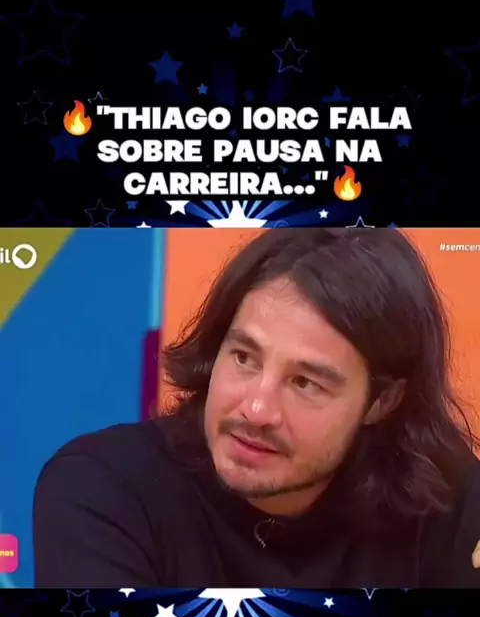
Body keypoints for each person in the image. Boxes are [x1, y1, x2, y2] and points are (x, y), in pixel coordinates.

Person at [34, 228, 480, 588]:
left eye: (305, 383)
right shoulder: (103, 488)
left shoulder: (449, 505)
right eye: (244, 357)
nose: (256, 409)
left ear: (381, 402)